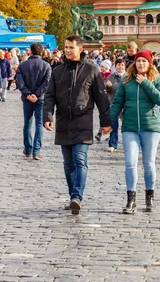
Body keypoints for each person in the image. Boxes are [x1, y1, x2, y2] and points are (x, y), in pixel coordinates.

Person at [43, 35, 111, 215]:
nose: (67, 50)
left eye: (70, 47)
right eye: (65, 47)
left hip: (83, 122)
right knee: (68, 164)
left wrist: (106, 122)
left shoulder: (91, 69)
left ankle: (76, 197)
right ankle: (73, 194)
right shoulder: (57, 71)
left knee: (80, 160)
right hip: (63, 122)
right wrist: (47, 116)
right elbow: (49, 96)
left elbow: (101, 98)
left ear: (80, 49)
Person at [110, 50, 160, 214]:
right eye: (138, 61)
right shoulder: (126, 81)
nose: (141, 64)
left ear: (149, 64)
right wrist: (107, 122)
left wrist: (146, 83)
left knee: (148, 164)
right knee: (130, 163)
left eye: (144, 61)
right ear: (134, 63)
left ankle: (149, 196)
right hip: (130, 126)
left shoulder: (156, 80)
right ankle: (131, 200)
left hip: (151, 127)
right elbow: (117, 102)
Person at [16, 43, 52, 160]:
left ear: (30, 52)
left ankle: (27, 149)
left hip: (27, 98)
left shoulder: (23, 65)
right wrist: (36, 94)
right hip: (40, 98)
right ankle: (36, 151)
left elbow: (20, 83)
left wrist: (28, 94)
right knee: (39, 124)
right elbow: (46, 83)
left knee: (27, 123)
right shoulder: (46, 66)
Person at [105, 58, 126, 152]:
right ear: (115, 66)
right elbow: (106, 90)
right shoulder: (111, 76)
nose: (120, 67)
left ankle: (129, 144)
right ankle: (113, 144)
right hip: (113, 103)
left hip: (125, 104)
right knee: (113, 125)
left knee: (126, 125)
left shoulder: (128, 76)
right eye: (118, 65)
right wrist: (108, 87)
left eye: (122, 65)